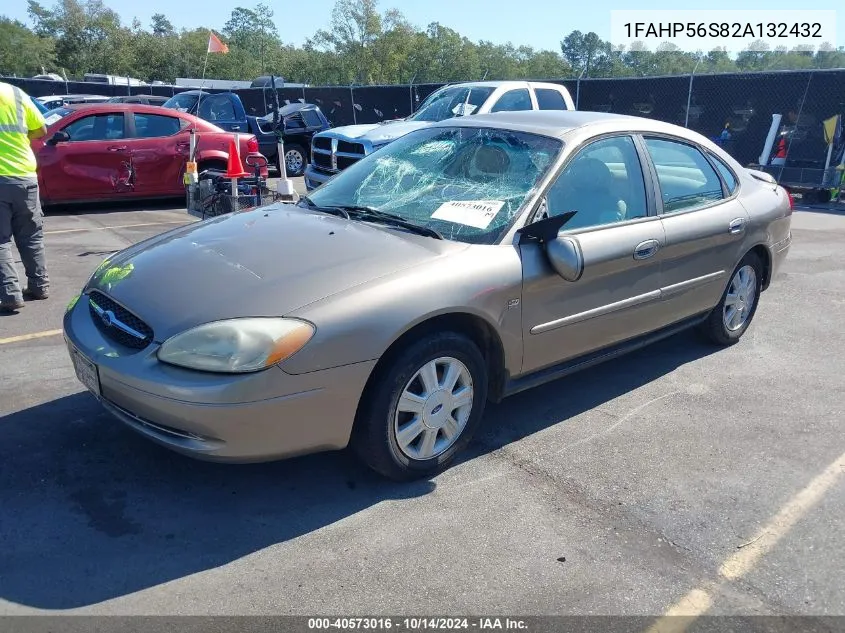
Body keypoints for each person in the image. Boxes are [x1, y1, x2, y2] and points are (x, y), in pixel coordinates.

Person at [0, 81, 49, 314]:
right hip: (25, 176)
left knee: (1, 241)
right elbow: (41, 129)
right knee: (31, 236)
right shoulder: (16, 93)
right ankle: (39, 286)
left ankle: (10, 295)